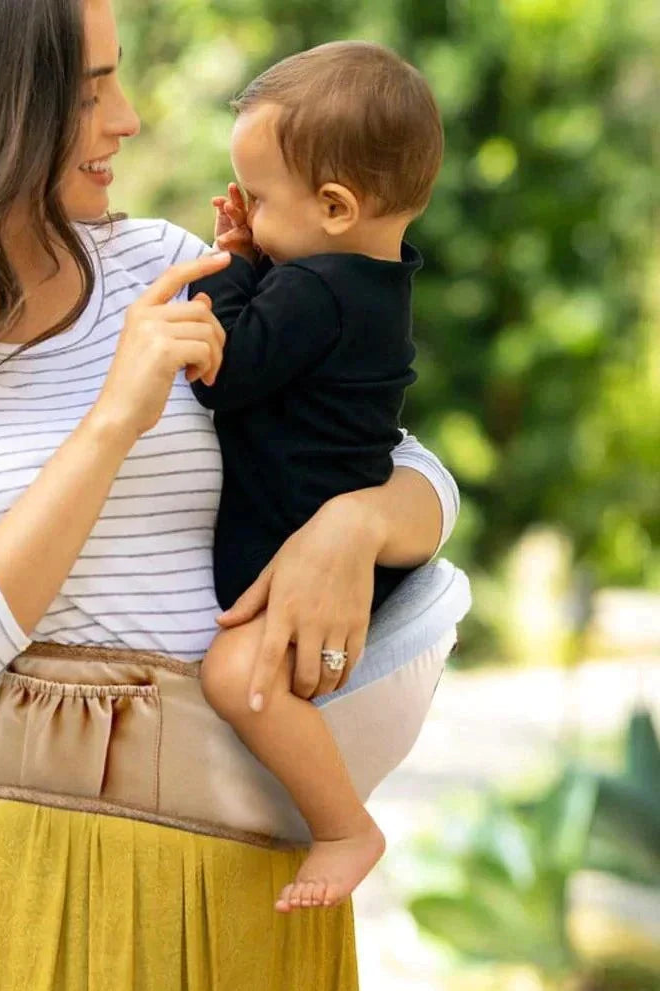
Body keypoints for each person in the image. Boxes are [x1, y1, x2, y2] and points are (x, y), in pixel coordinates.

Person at [0, 1, 461, 991]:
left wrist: (354, 523)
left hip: (252, 863)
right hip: (29, 882)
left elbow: (406, 469)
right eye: (90, 89)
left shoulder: (167, 266)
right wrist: (111, 422)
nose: (128, 119)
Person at [185, 42, 444, 913]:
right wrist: (259, 250)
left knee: (235, 677)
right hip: (325, 531)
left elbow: (223, 371)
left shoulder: (318, 292)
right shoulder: (373, 283)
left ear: (335, 207)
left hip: (294, 541)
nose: (246, 216)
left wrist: (229, 265)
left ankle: (342, 828)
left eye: (257, 200)